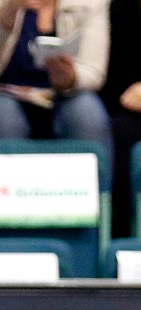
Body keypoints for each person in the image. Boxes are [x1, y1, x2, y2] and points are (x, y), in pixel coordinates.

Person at [0, 0, 112, 198]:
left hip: (59, 98)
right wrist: (8, 10)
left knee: (86, 112)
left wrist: (70, 78)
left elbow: (93, 71)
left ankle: (94, 222)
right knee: (1, 115)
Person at [100, 0, 141, 237]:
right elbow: (110, 83)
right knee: (121, 130)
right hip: (125, 111)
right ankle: (122, 236)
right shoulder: (118, 9)